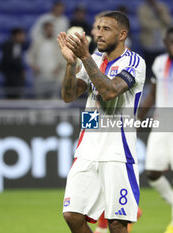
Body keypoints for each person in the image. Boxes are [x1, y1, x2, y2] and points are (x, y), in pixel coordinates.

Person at [58, 11, 146, 233]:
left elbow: (110, 91)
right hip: (87, 150)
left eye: (106, 29)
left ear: (122, 34)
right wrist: (70, 64)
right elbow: (68, 95)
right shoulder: (95, 60)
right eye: (98, 28)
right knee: (72, 215)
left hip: (117, 153)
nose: (98, 34)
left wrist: (85, 58)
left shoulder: (134, 62)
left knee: (117, 225)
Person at [138, 26, 173, 233]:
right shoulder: (159, 63)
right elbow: (152, 94)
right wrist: (138, 119)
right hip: (160, 124)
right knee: (152, 172)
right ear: (166, 43)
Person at [26, 21, 65, 98]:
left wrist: (59, 68)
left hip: (55, 76)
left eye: (51, 29)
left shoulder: (59, 43)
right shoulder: (37, 42)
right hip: (40, 75)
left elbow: (63, 58)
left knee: (54, 98)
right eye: (48, 29)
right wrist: (34, 67)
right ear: (44, 30)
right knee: (39, 98)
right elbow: (29, 56)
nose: (49, 31)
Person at [138, 0, 173, 80]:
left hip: (161, 42)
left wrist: (160, 13)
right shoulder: (143, 8)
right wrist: (159, 24)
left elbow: (168, 21)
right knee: (149, 66)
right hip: (149, 42)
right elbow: (144, 23)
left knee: (161, 65)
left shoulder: (162, 7)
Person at [0, 28, 26, 99]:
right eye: (22, 35)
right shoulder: (12, 45)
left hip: (13, 78)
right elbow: (12, 60)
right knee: (12, 99)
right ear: (16, 36)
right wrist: (21, 70)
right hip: (12, 79)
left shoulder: (16, 45)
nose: (24, 37)